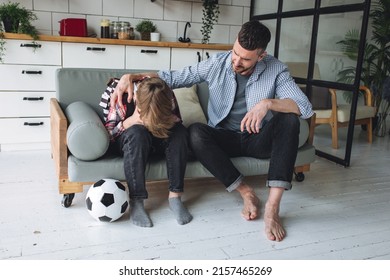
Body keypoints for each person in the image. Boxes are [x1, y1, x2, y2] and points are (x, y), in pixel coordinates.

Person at [109, 20, 313, 241]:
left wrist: (268, 103)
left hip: (258, 139)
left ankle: (273, 209)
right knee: (195, 132)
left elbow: (304, 107)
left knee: (290, 121)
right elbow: (172, 78)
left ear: (261, 56)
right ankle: (247, 193)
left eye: (245, 59)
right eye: (235, 53)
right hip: (223, 139)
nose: (236, 61)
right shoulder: (218, 63)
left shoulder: (275, 69)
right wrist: (131, 76)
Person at [100, 77, 193, 227]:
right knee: (137, 132)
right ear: (136, 99)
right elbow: (108, 135)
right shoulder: (119, 95)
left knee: (179, 132)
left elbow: (177, 121)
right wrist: (128, 122)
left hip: (159, 136)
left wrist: (163, 121)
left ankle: (175, 197)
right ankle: (137, 201)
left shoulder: (167, 95)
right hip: (130, 139)